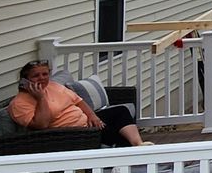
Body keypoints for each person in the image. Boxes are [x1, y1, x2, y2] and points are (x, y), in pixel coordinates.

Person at [9, 60, 146, 146]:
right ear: (25, 80)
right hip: (71, 133)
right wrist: (41, 98)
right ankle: (122, 156)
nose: (42, 78)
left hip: (87, 122)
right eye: (36, 76)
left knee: (121, 111)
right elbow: (41, 125)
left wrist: (92, 116)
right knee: (119, 133)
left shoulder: (54, 86)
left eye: (45, 74)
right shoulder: (19, 103)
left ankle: (138, 144)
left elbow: (79, 101)